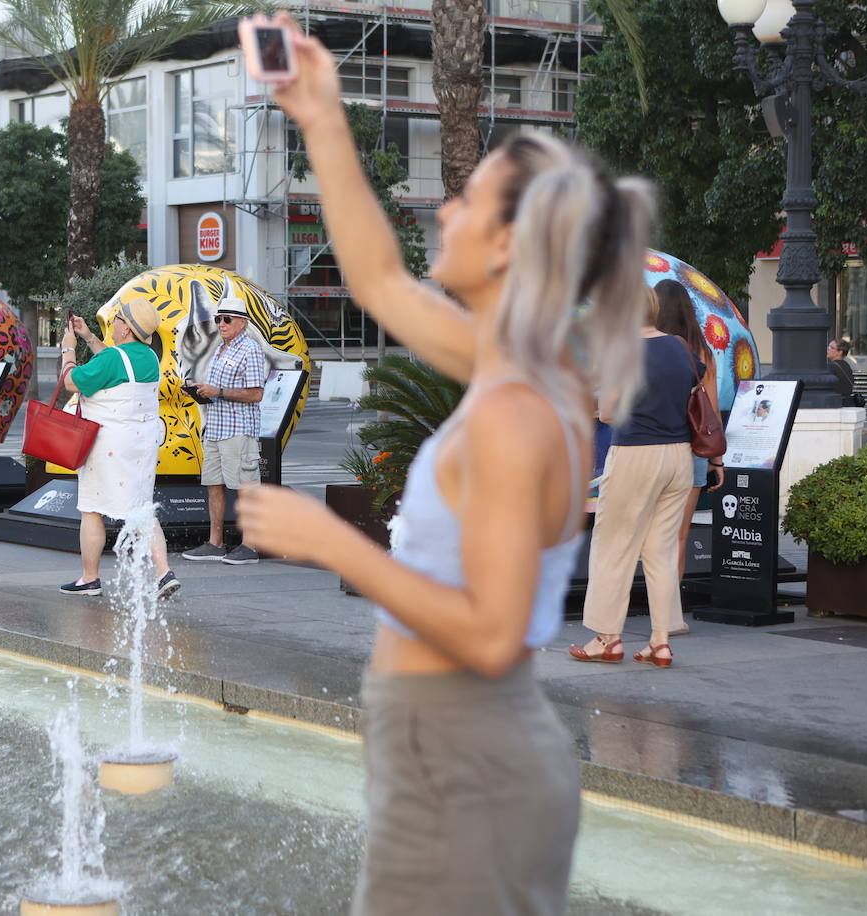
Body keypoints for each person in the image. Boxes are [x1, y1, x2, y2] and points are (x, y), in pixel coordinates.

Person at [233, 16, 654, 913]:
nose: (446, 208)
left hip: (466, 766)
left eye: (468, 199)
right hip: (452, 752)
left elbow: (493, 636)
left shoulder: (513, 413)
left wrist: (332, 542)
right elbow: (379, 282)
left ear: (508, 244)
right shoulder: (519, 374)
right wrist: (321, 119)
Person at [570, 286, 704, 670]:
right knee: (660, 550)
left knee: (613, 544)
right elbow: (693, 390)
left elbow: (610, 412)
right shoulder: (680, 347)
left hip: (634, 454)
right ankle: (661, 641)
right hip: (678, 456)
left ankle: (605, 639)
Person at [59, 303, 180, 600]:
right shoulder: (149, 357)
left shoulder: (115, 357)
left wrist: (68, 349)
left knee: (91, 508)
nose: (113, 323)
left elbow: (71, 382)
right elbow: (116, 364)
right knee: (141, 507)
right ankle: (164, 572)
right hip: (141, 444)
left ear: (125, 328)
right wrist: (89, 336)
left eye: (118, 319)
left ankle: (90, 578)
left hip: (107, 444)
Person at [652, 279, 721, 630]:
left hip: (650, 447)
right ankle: (670, 615)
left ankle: (650, 610)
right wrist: (717, 459)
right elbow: (710, 410)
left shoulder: (649, 347)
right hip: (692, 449)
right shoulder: (702, 352)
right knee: (679, 535)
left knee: (647, 535)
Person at [180, 298, 267, 566]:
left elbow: (256, 393)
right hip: (216, 429)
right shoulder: (221, 349)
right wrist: (199, 389)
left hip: (239, 430)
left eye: (227, 319)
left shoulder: (250, 350)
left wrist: (217, 392)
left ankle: (250, 546)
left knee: (246, 488)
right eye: (219, 319)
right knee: (214, 486)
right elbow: (220, 390)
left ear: (243, 322)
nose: (221, 324)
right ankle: (215, 543)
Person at [827, 338, 863, 406]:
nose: (827, 349)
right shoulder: (847, 366)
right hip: (848, 403)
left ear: (840, 352)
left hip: (836, 404)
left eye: (831, 347)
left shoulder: (831, 366)